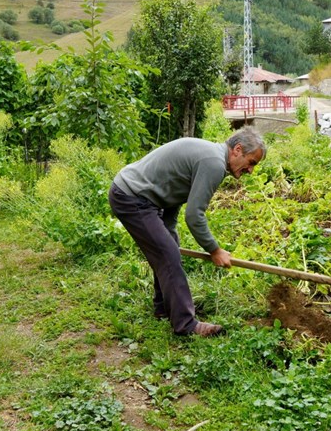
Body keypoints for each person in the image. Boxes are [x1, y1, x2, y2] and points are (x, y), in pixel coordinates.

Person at [108, 128, 266, 337]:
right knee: (168, 254)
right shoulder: (214, 163)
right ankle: (186, 325)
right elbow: (194, 216)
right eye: (252, 162)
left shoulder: (211, 156)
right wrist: (214, 249)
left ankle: (163, 307)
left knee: (168, 246)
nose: (250, 170)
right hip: (132, 196)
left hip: (142, 196)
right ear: (238, 150)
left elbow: (173, 188)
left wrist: (168, 229)